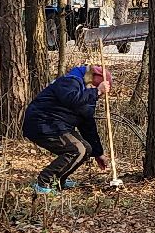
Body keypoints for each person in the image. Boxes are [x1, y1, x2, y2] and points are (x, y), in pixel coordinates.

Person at [23, 64, 109, 192]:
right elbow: (71, 99)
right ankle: (44, 182)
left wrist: (98, 153)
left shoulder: (86, 94)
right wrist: (96, 92)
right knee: (77, 150)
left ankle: (58, 180)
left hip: (57, 125)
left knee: (86, 148)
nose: (98, 97)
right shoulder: (70, 81)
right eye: (95, 89)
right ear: (91, 82)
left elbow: (87, 124)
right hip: (43, 124)